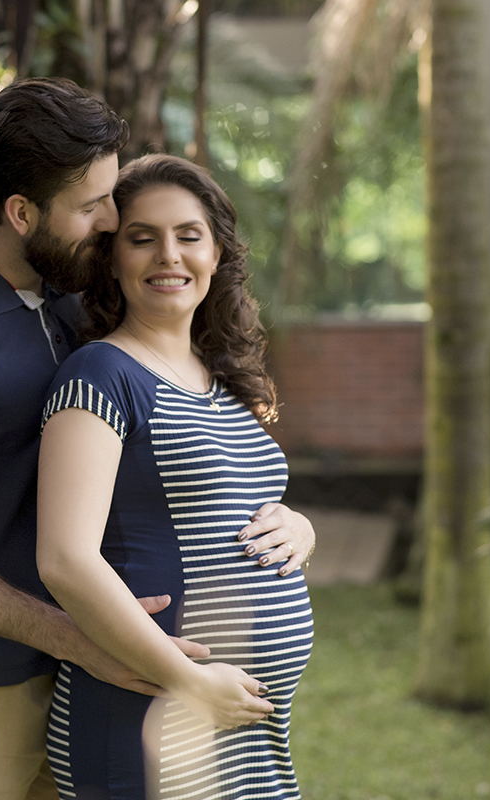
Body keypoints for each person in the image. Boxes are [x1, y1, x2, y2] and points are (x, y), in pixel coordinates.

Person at [0, 79, 317, 800]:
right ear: (20, 212)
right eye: (91, 206)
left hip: (100, 680)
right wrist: (76, 638)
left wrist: (287, 519)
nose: (111, 220)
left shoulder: (72, 298)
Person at [36, 154, 314, 799]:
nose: (168, 255)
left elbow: (230, 501)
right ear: (111, 258)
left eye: (188, 236)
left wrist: (299, 526)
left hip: (243, 727)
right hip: (149, 710)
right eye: (142, 238)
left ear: (217, 254)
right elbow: (65, 559)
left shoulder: (223, 379)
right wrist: (188, 680)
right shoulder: (101, 376)